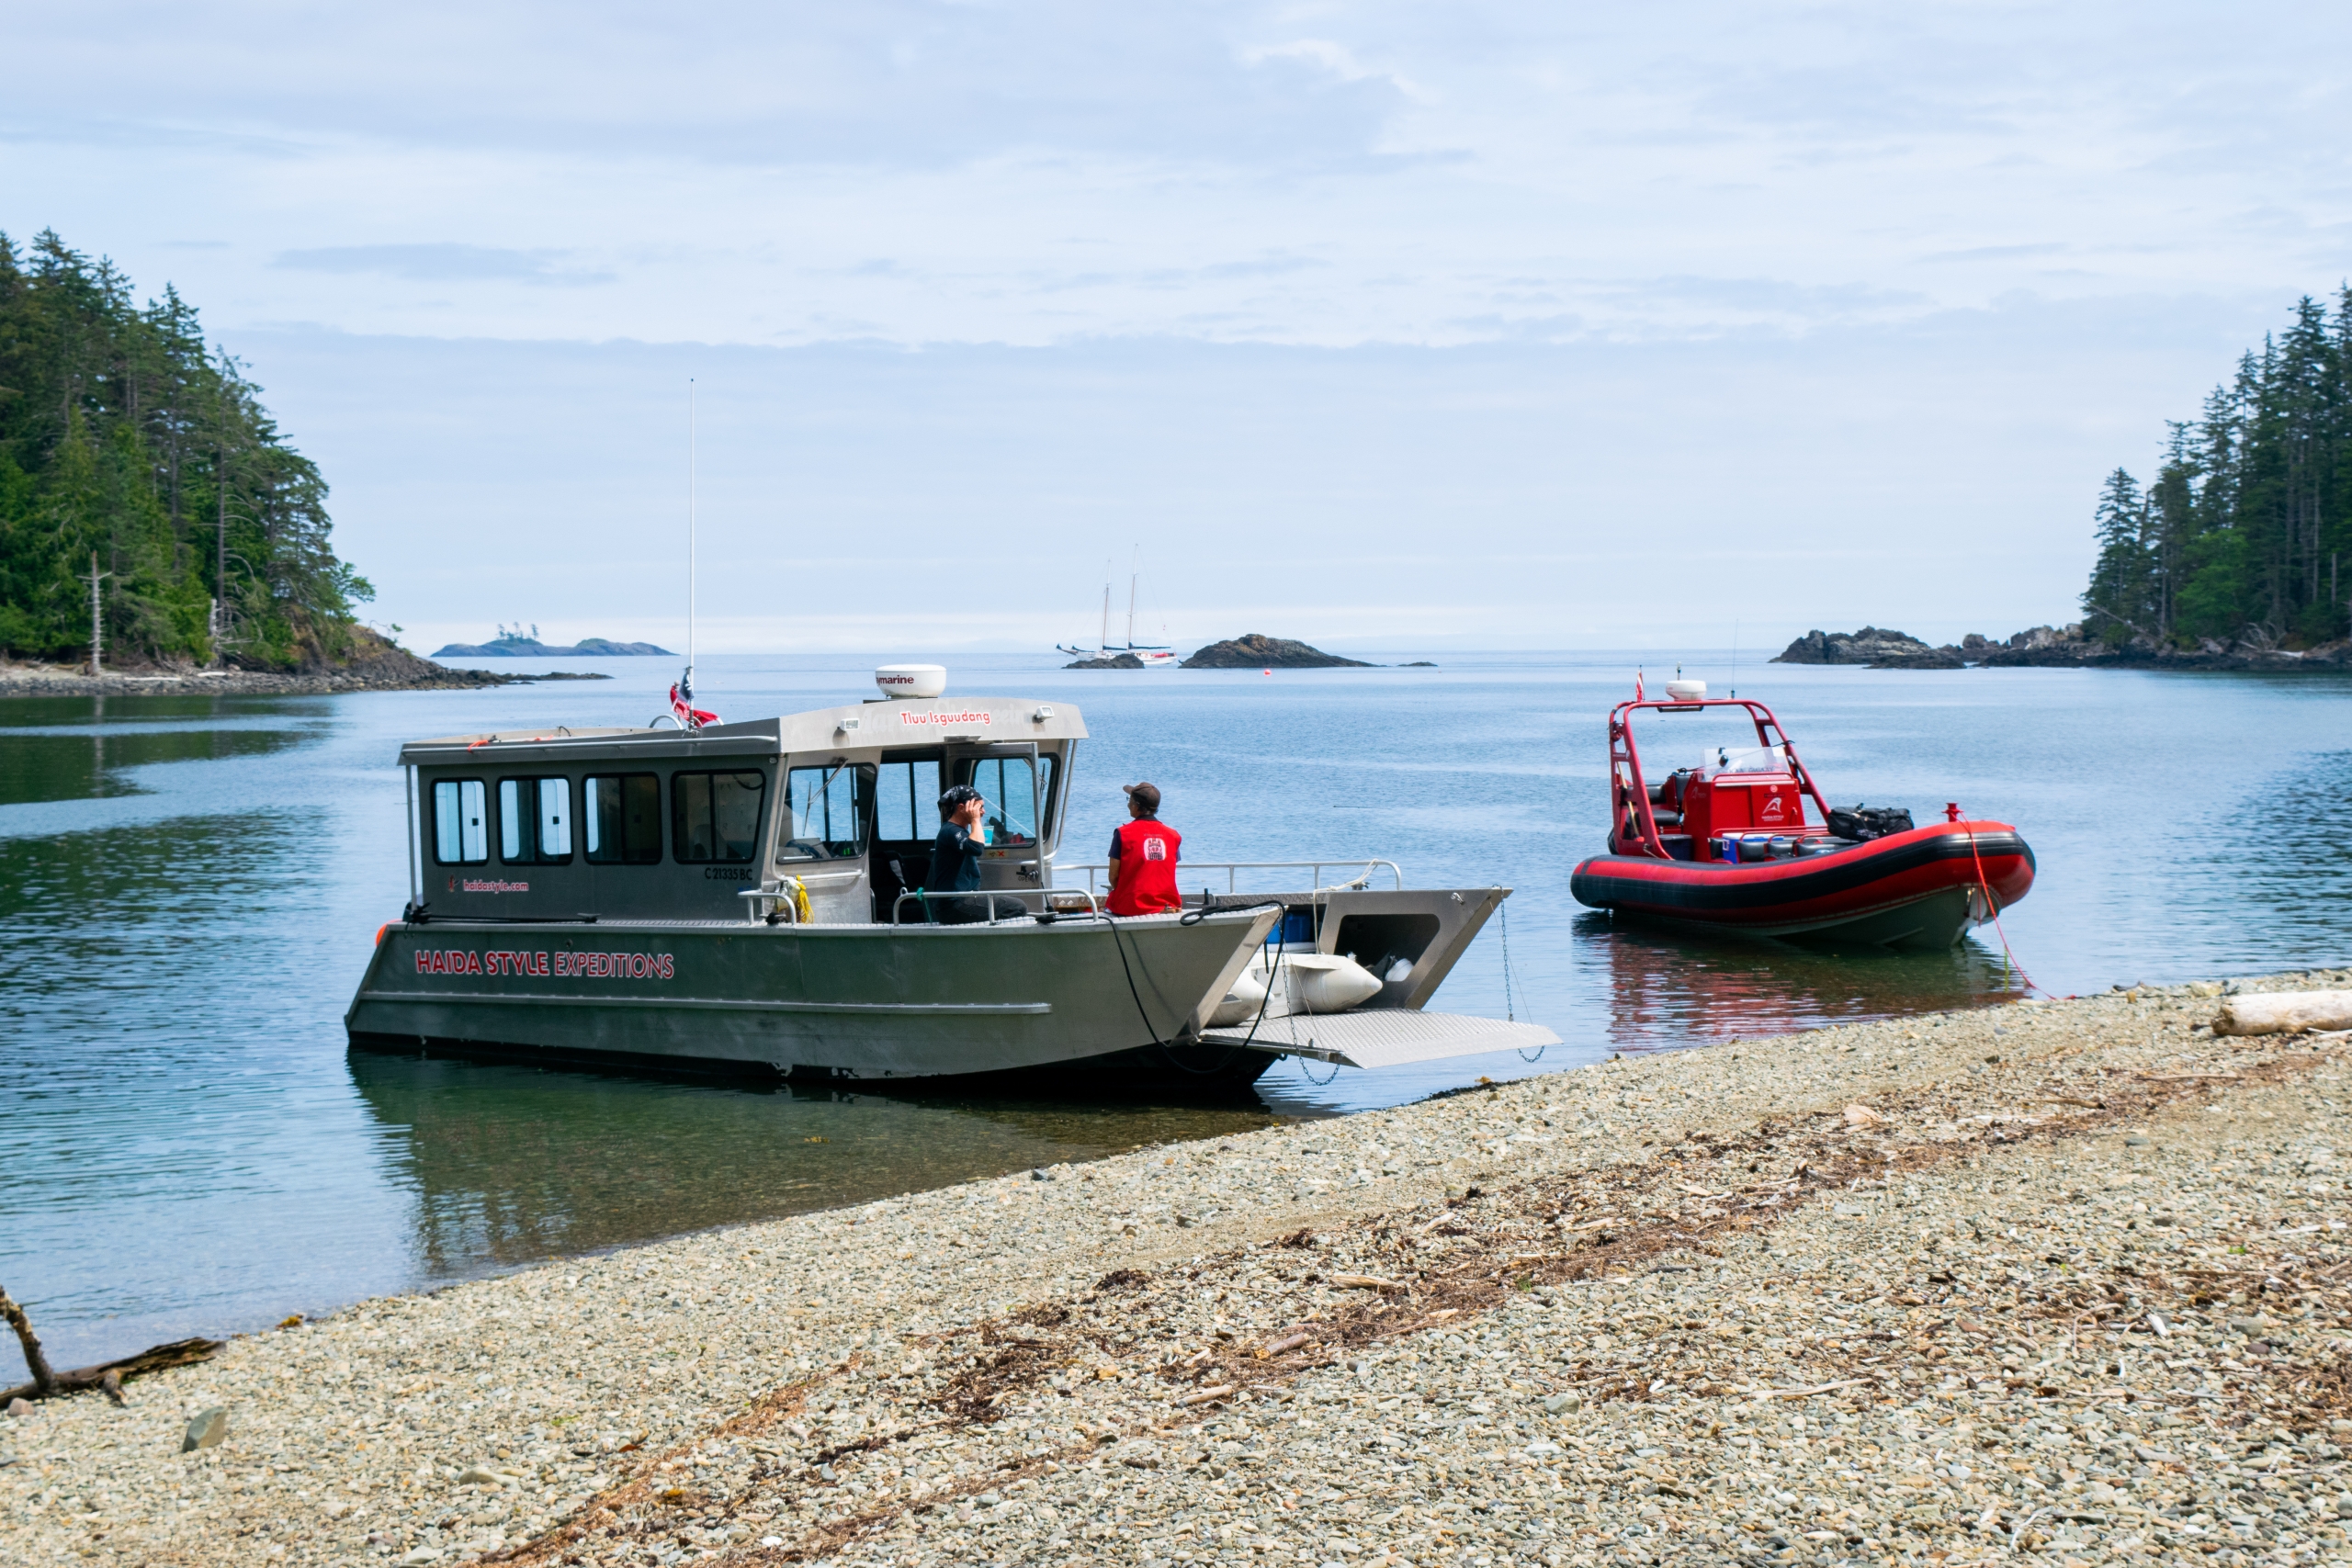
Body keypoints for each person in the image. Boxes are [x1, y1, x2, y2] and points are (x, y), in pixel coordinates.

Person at [924, 784, 1025, 924]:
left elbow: (976, 843)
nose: (983, 812)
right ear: (961, 808)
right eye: (979, 808)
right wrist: (975, 820)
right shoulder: (950, 831)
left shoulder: (959, 831)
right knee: (1018, 907)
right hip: (953, 905)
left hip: (962, 900)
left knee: (1008, 906)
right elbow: (976, 848)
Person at [1105, 782, 1183, 917]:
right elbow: (1162, 869)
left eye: (1129, 800)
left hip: (1129, 907)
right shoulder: (1173, 836)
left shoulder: (1122, 834)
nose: (1128, 804)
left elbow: (1114, 877)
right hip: (1167, 906)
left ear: (1136, 806)